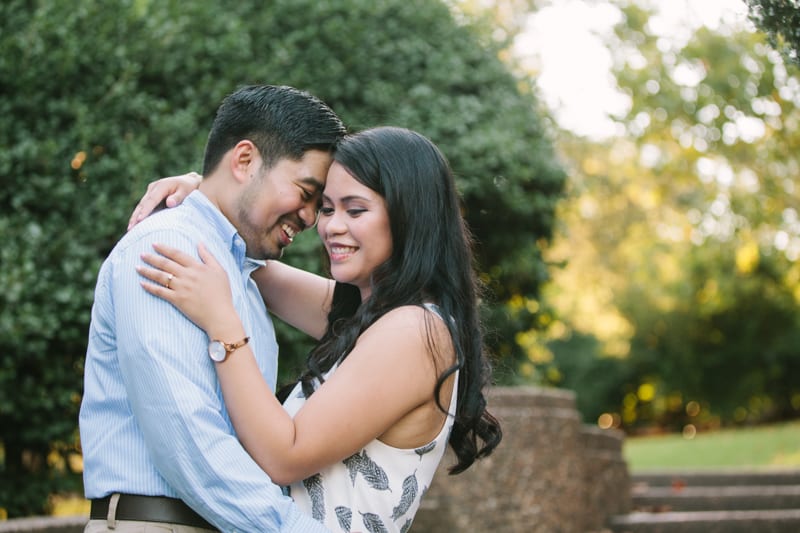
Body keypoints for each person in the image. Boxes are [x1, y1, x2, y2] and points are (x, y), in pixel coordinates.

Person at [132, 126, 502, 533]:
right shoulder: (373, 316)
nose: (331, 227)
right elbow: (245, 257)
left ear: (409, 216)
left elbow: (284, 456)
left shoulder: (413, 331)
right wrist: (208, 193)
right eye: (327, 208)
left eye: (355, 210)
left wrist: (222, 324)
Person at [79, 84, 346, 532]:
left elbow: (366, 317)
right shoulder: (167, 248)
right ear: (244, 160)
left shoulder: (239, 271)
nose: (310, 217)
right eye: (306, 192)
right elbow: (189, 440)